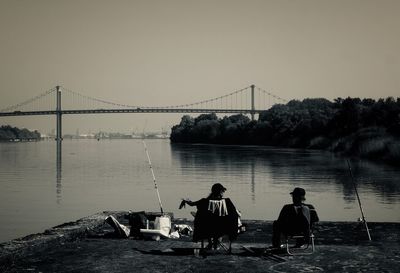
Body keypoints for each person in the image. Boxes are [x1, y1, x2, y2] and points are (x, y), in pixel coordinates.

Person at [179, 183, 239, 252]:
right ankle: (225, 246)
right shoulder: (227, 201)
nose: (223, 193)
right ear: (220, 192)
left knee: (207, 221)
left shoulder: (204, 201)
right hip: (223, 228)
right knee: (223, 221)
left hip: (207, 228)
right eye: (223, 191)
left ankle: (210, 243)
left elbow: (192, 204)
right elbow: (233, 214)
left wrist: (185, 201)